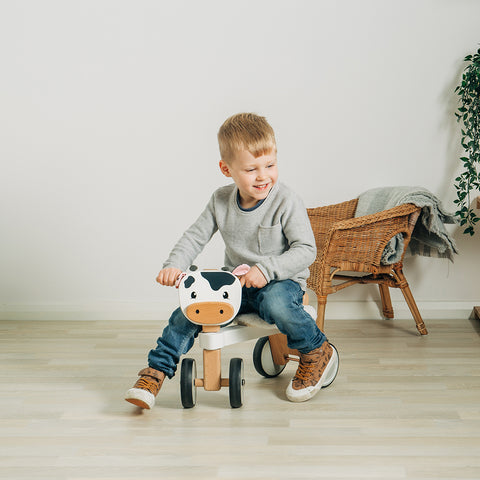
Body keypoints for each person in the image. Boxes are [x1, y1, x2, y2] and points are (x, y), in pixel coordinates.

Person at [125, 113, 336, 409]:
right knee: (187, 312)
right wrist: (174, 265)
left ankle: (316, 350)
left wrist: (267, 270)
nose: (263, 176)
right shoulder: (220, 200)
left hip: (281, 282)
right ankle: (155, 372)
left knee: (276, 303)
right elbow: (194, 237)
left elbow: (306, 250)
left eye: (270, 166)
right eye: (251, 169)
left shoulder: (286, 200)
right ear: (227, 169)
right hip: (235, 285)